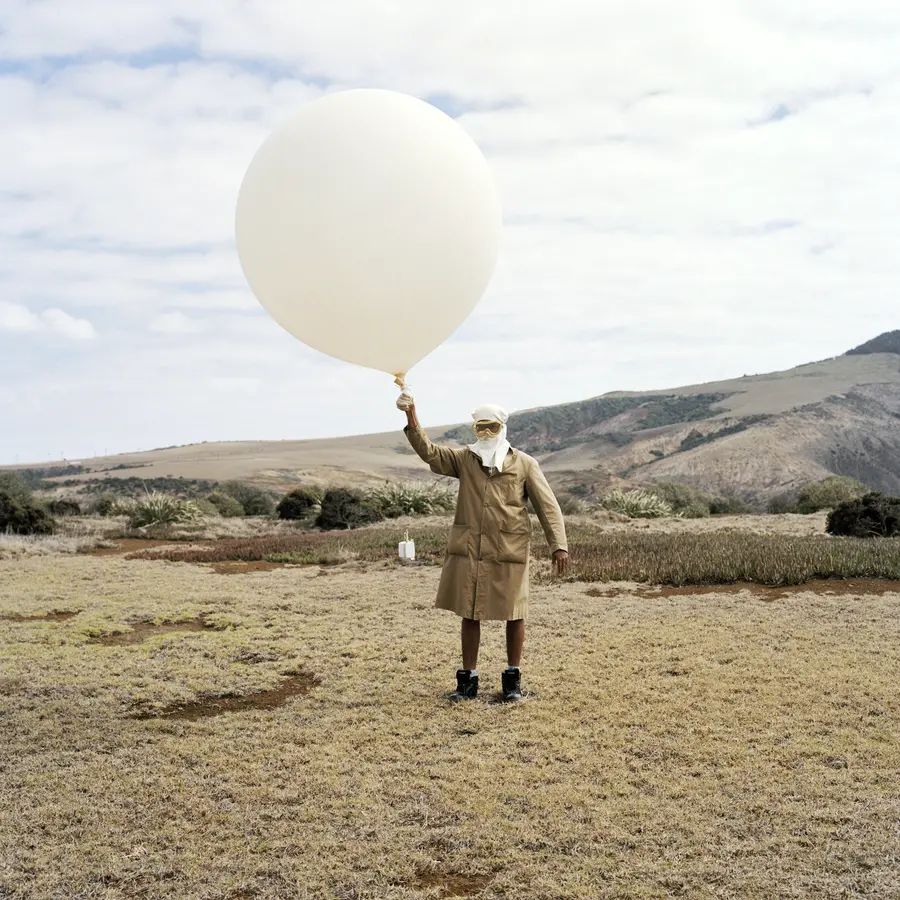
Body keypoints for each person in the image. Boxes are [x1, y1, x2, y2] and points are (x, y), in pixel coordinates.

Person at [397, 390, 569, 702]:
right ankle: (468, 682)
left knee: (515, 613)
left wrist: (559, 545)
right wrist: (412, 417)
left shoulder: (525, 464)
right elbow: (429, 453)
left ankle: (512, 682)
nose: (487, 433)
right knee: (469, 612)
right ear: (474, 428)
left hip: (509, 550)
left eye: (492, 427)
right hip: (471, 550)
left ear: (503, 428)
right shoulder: (464, 460)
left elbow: (548, 506)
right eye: (481, 427)